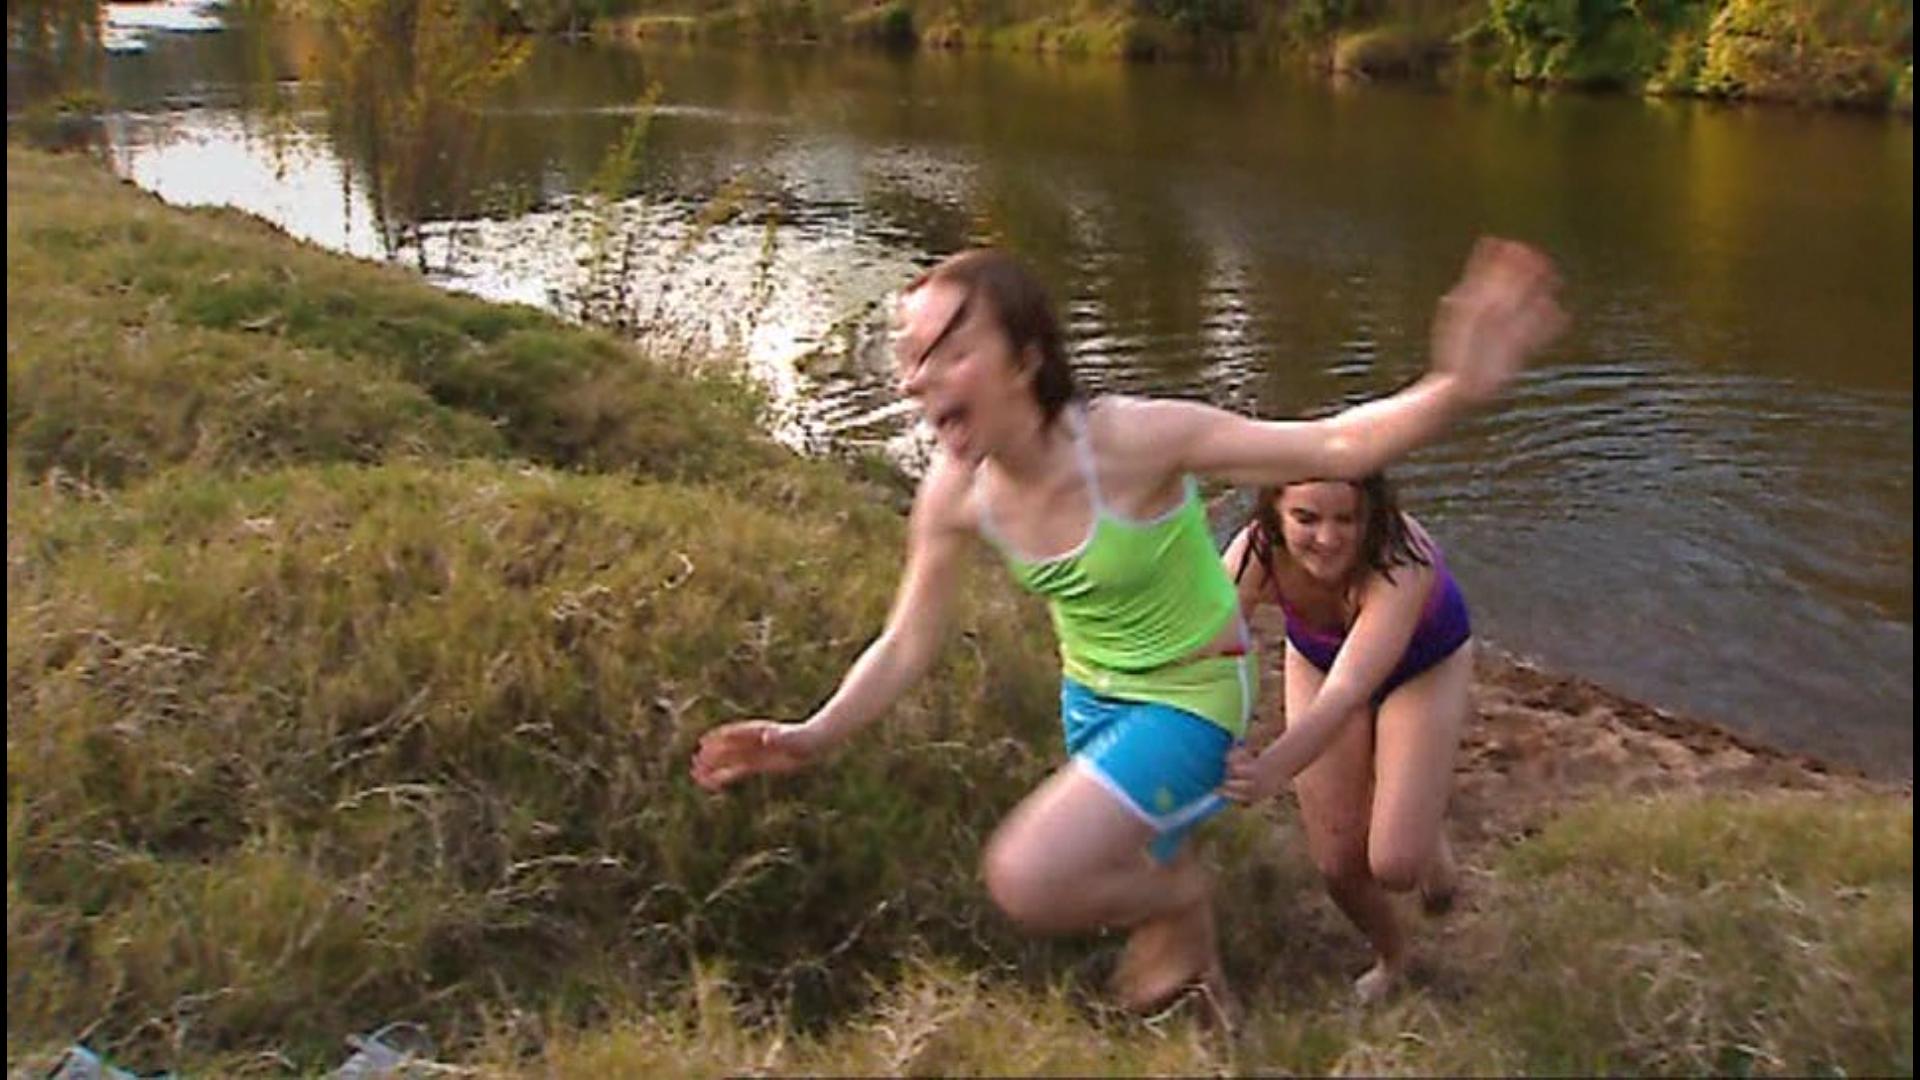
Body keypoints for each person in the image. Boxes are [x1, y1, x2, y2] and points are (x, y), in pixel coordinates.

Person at [691, 239, 1566, 1019]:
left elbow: (1334, 447)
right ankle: (1216, 1023)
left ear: (1027, 358)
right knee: (1148, 879)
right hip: (1093, 700)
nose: (918, 379)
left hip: (1192, 697)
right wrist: (812, 734)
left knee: (1029, 875)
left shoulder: (1132, 442)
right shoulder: (955, 492)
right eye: (911, 358)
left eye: (950, 353)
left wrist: (1453, 387)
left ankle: (1180, 905)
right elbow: (906, 642)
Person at [1219, 474, 1472, 1004]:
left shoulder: (1402, 560)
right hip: (1318, 657)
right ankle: (1393, 957)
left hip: (1422, 665)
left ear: (1371, 514)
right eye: (1306, 519)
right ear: (1273, 512)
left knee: (1397, 865)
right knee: (1337, 863)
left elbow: (1347, 692)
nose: (1328, 539)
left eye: (1346, 519)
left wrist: (1270, 769)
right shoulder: (1254, 550)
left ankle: (1424, 828)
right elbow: (1212, 644)